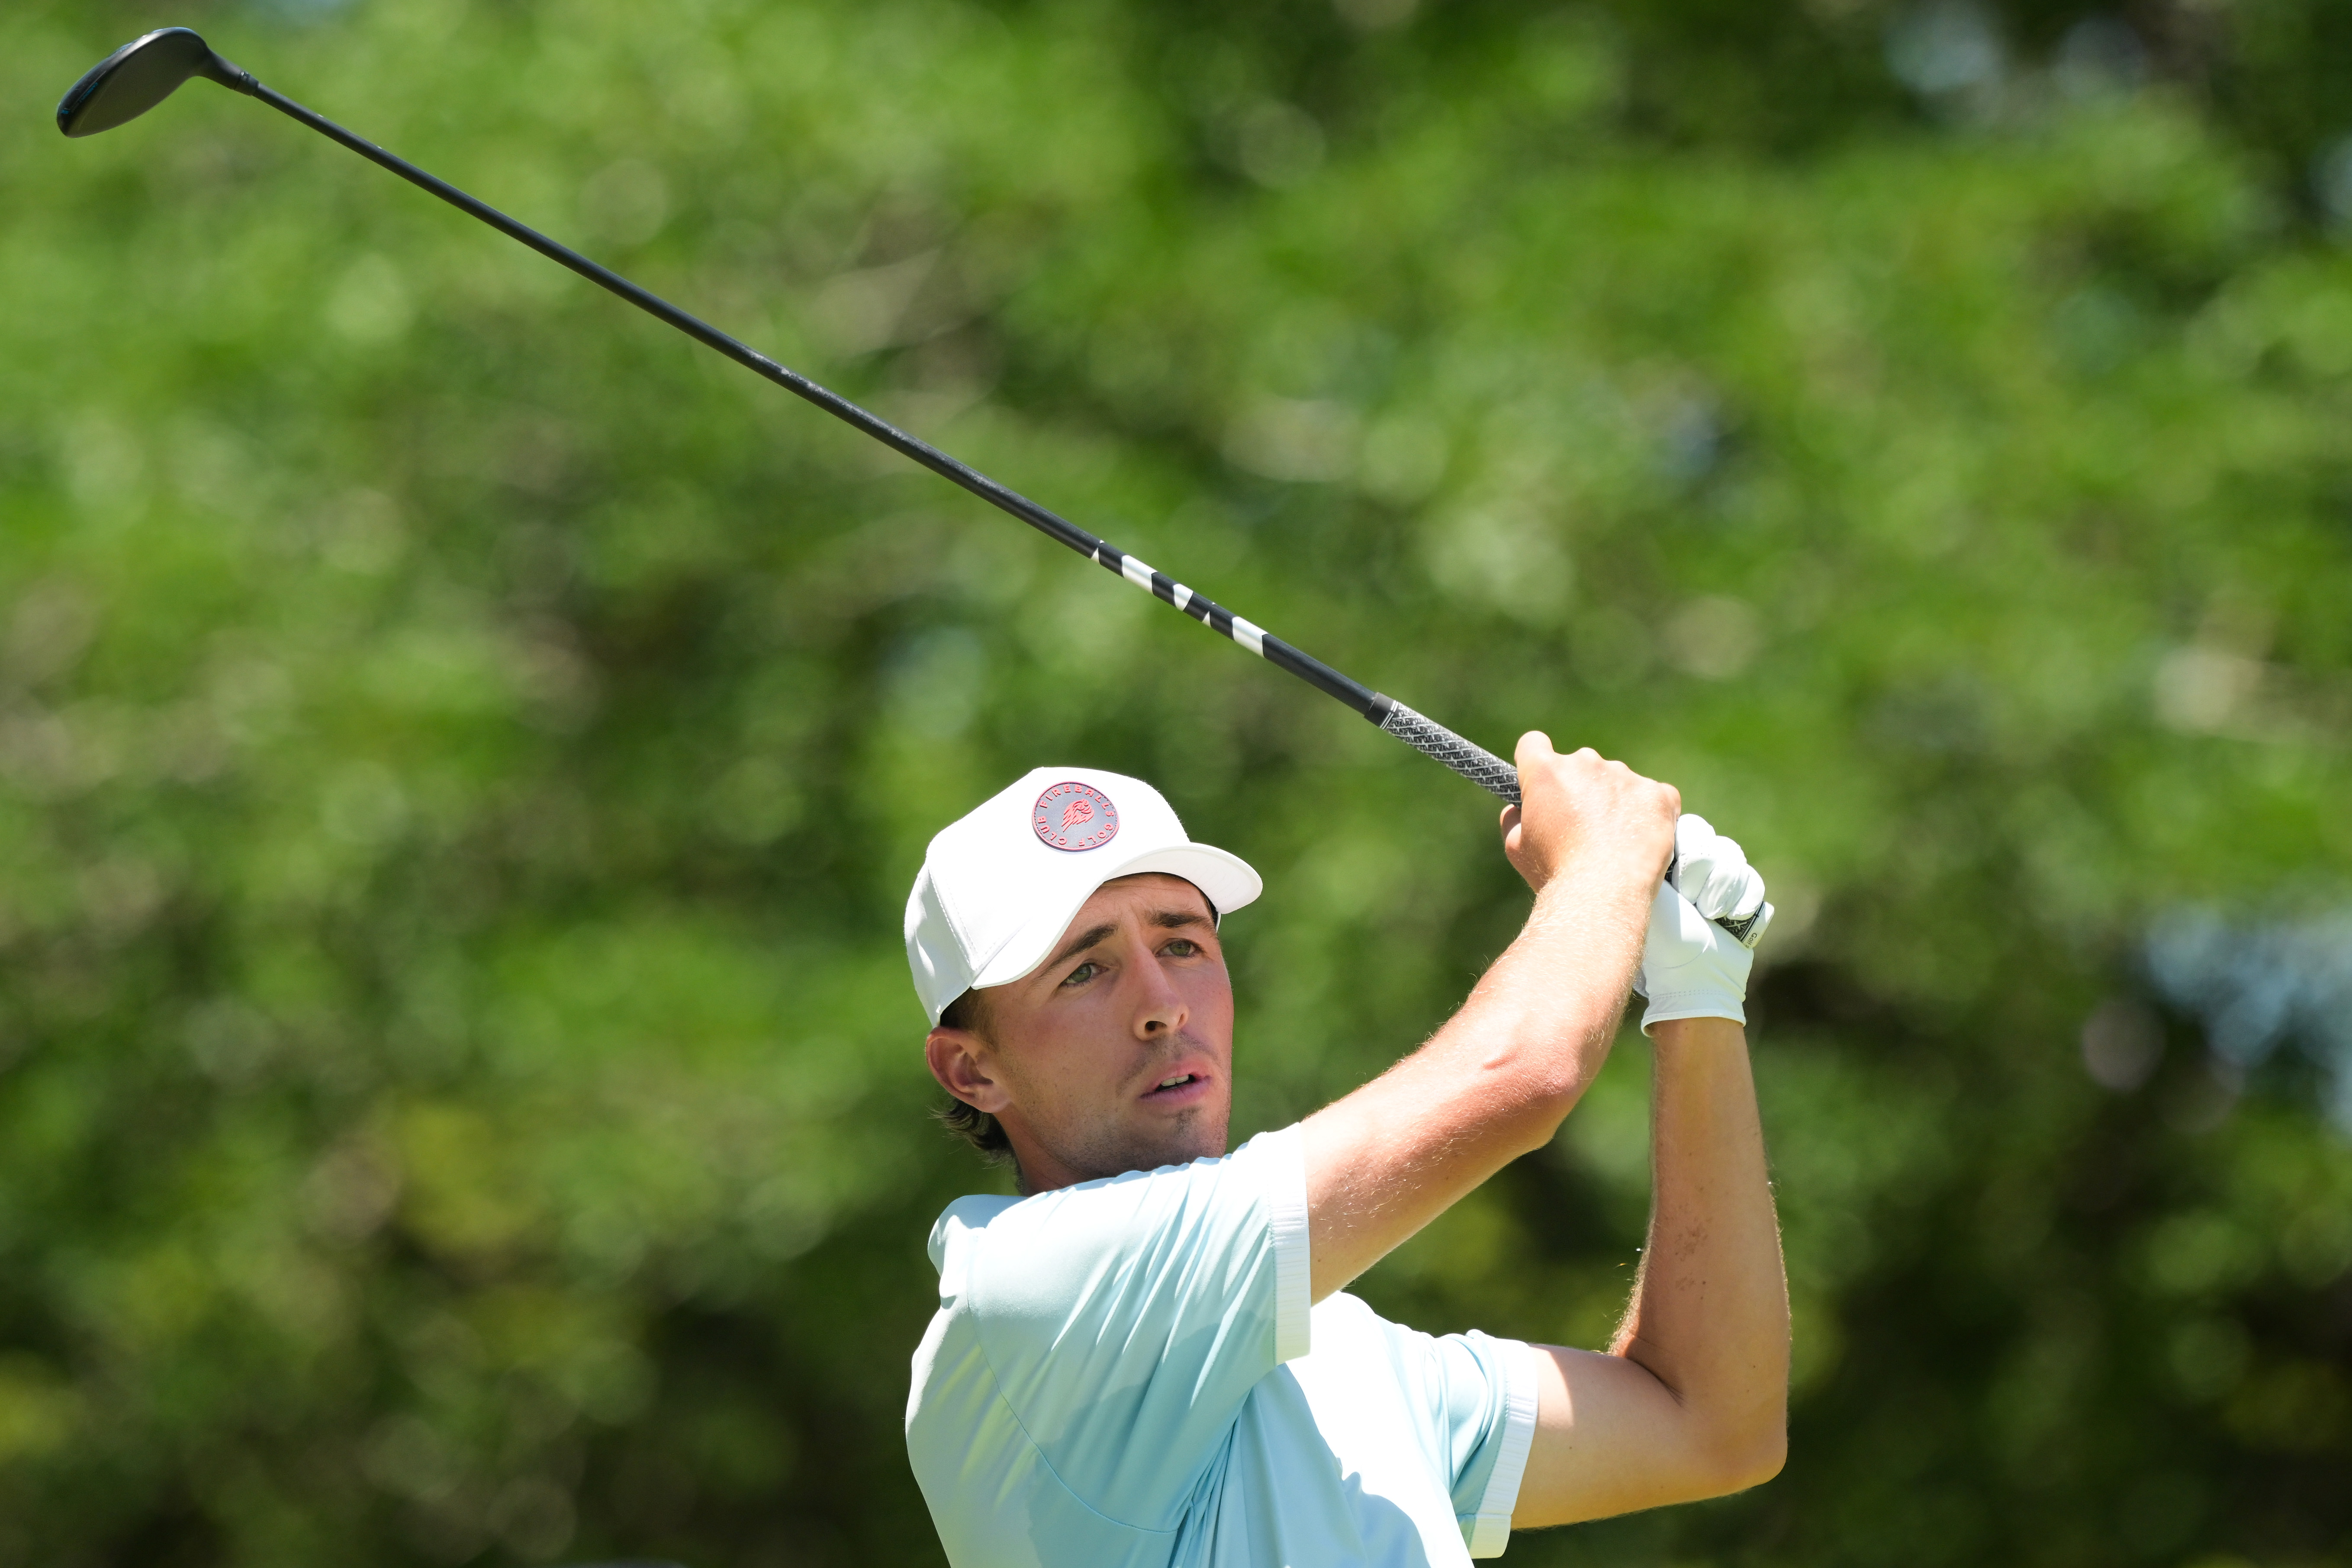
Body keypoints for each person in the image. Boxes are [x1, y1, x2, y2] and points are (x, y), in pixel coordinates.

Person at [901, 736, 1788, 1568]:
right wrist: (1606, 864)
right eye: (1084, 970)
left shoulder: (1348, 1354)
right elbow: (1525, 1075)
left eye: (1182, 942)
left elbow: (1712, 1424)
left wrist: (1697, 998)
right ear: (973, 1071)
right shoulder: (1028, 1295)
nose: (1163, 1004)